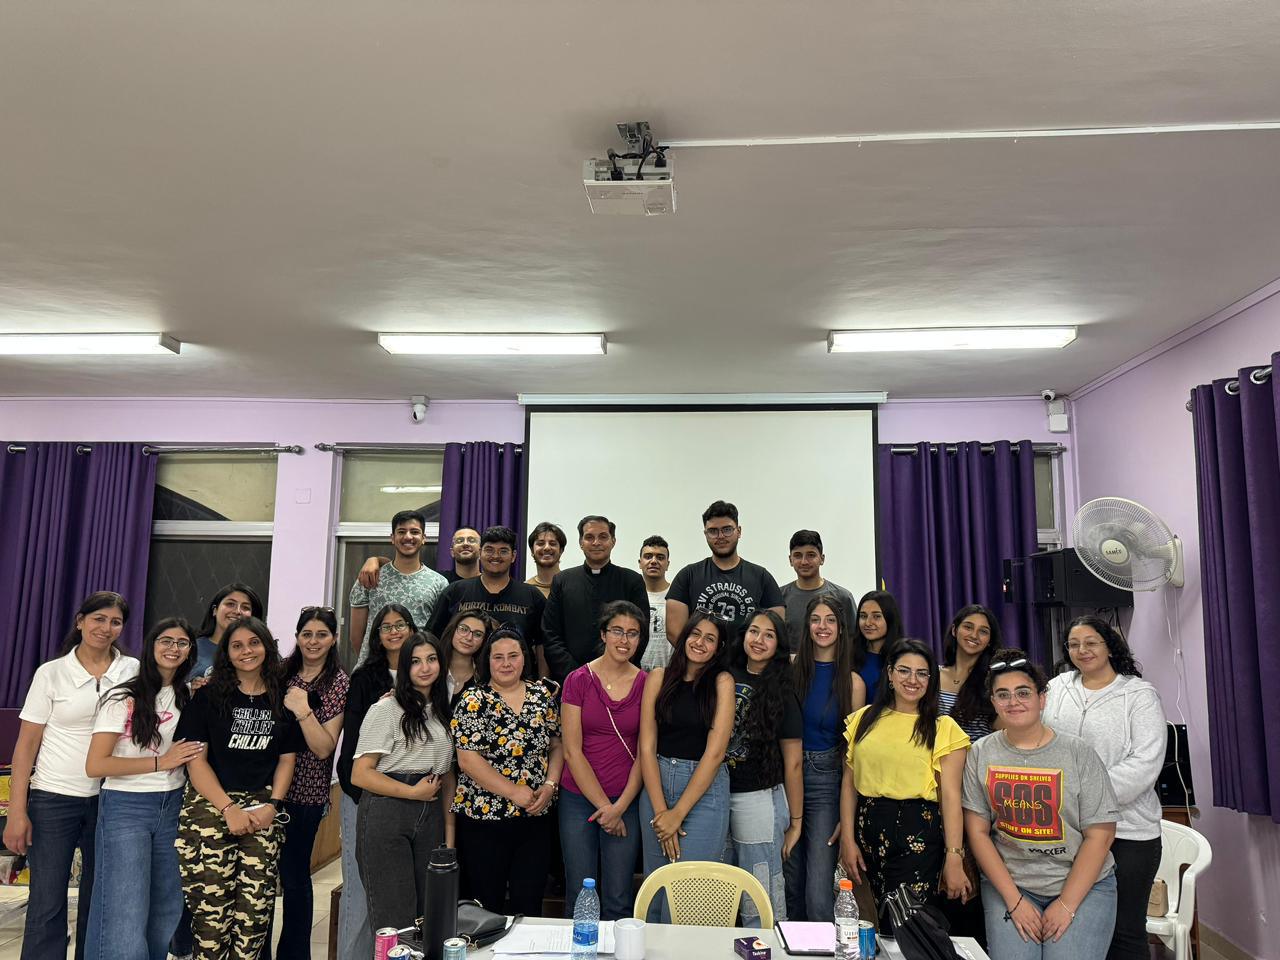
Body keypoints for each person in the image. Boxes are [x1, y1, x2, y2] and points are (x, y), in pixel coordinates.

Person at [5, 591, 140, 960]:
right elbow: (26, 746)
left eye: (115, 622)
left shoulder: (133, 670)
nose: (106, 628)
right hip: (53, 798)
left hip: (113, 799)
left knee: (100, 899)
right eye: (99, 619)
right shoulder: (51, 673)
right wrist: (17, 812)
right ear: (80, 621)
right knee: (46, 901)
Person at [964, 650, 1119, 958]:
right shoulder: (980, 753)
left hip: (1083, 885)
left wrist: (1066, 904)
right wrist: (1014, 902)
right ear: (993, 702)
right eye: (1003, 694)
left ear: (1042, 698)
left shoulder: (1078, 753)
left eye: (1023, 692)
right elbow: (978, 833)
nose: (1013, 702)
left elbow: (1101, 835)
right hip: (1011, 884)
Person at [174, 616, 302, 960]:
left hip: (263, 811)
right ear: (227, 654)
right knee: (211, 922)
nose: (247, 651)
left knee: (254, 920)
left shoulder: (283, 699)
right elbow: (195, 761)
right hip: (210, 808)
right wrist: (228, 808)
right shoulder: (208, 697)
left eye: (254, 643)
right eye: (237, 645)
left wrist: (273, 805)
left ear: (267, 647)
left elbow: (287, 760)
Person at [1045, 617, 1165, 960]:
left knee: (1124, 933)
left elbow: (1145, 763)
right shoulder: (1056, 688)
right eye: (1073, 644)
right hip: (1070, 830)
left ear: (1110, 647)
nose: (1082, 650)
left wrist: (1082, 796)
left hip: (1129, 832)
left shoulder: (1138, 695)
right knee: (1078, 926)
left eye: (1091, 642)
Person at [84, 616, 202, 960]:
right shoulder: (123, 697)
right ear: (151, 645)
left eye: (182, 643)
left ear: (190, 651)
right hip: (126, 806)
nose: (173, 648)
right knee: (125, 908)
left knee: (166, 907)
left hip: (174, 805)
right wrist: (160, 762)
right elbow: (96, 765)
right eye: (166, 640)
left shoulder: (188, 697)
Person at [839, 639, 971, 910]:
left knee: (908, 922)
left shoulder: (943, 728)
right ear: (890, 673)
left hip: (918, 834)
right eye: (904, 670)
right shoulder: (863, 719)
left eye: (922, 673)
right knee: (868, 920)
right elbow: (849, 785)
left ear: (931, 680)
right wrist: (847, 840)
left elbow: (950, 797)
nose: (913, 680)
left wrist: (954, 855)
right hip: (867, 832)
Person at [451, 628, 564, 915]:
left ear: (524, 658)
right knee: (486, 907)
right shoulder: (474, 699)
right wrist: (514, 792)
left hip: (535, 816)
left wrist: (550, 785)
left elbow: (556, 744)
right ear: (486, 661)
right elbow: (468, 760)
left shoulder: (541, 695)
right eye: (498, 657)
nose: (506, 663)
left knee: (530, 904)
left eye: (513, 656)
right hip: (485, 819)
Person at [351, 632, 457, 933]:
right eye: (415, 661)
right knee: (395, 920)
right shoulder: (386, 709)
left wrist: (449, 836)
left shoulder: (442, 711)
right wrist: (412, 792)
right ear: (404, 667)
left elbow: (448, 776)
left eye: (431, 659)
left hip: (431, 814)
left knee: (430, 918)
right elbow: (360, 773)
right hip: (388, 811)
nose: (425, 668)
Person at [559, 601, 647, 920]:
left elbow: (645, 753)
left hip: (627, 800)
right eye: (617, 631)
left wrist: (619, 807)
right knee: (579, 892)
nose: (624, 640)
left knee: (619, 896)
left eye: (633, 633)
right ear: (603, 634)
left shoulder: (647, 683)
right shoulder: (578, 680)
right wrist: (605, 808)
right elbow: (571, 751)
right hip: (578, 798)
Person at [335, 604, 414, 960]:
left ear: (412, 630)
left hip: (411, 798)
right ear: (377, 636)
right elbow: (351, 741)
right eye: (386, 627)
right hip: (364, 794)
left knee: (398, 894)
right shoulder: (365, 677)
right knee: (359, 891)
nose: (394, 631)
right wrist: (360, 791)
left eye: (400, 625)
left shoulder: (424, 671)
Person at [638, 612, 735, 898]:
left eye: (710, 639)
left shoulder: (722, 682)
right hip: (657, 784)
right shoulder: (658, 677)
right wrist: (662, 814)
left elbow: (715, 753)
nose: (700, 643)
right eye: (695, 634)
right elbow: (647, 746)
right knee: (655, 891)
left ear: (718, 648)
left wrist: (678, 814)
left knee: (689, 893)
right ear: (684, 636)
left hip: (704, 792)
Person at [272, 607, 349, 960]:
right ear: (297, 637)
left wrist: (302, 709)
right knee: (260, 880)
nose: (313, 641)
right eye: (307, 634)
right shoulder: (279, 673)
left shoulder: (338, 682)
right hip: (266, 788)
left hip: (306, 794)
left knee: (294, 877)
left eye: (321, 634)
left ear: (333, 638)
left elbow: (322, 747)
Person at [785, 594, 867, 922]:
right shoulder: (790, 669)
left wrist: (847, 816)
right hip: (784, 778)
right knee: (789, 880)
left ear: (841, 628)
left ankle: (819, 946)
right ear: (807, 625)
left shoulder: (852, 683)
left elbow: (852, 756)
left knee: (818, 889)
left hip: (826, 782)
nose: (823, 626)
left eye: (830, 620)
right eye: (816, 619)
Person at [725, 610, 804, 926]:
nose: (759, 640)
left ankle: (765, 945)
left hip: (757, 798)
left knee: (759, 889)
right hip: (714, 794)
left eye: (769, 635)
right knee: (718, 885)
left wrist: (796, 822)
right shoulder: (724, 673)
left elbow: (793, 762)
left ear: (779, 645)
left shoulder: (783, 689)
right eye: (754, 631)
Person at [427, 526, 548, 676]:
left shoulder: (531, 595)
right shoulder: (455, 591)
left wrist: (543, 680)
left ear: (513, 556)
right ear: (480, 552)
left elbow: (543, 644)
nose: (495, 556)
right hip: (461, 681)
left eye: (503, 551)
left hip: (517, 680)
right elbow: (433, 637)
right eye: (489, 550)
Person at [543, 515, 650, 682]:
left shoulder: (632, 581)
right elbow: (551, 634)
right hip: (571, 679)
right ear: (581, 542)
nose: (596, 542)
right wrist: (577, 675)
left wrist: (615, 672)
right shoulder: (562, 581)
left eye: (603, 537)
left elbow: (641, 632)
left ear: (613, 541)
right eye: (589, 537)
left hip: (621, 680)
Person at [665, 500, 785, 642]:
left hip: (747, 657)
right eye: (713, 531)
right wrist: (701, 653)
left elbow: (777, 633)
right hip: (700, 656)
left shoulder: (762, 577)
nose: (720, 536)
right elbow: (674, 632)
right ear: (705, 534)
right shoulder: (687, 575)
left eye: (727, 529)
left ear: (739, 531)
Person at [347, 510, 448, 667]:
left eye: (414, 532)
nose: (408, 536)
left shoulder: (439, 582)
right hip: (374, 669)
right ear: (392, 538)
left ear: (424, 538)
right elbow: (356, 636)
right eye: (401, 532)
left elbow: (440, 635)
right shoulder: (370, 576)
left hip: (419, 669)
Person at [780, 530, 856, 655]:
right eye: (798, 555)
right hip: (789, 667)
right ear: (790, 560)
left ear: (822, 559)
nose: (804, 561)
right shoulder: (779, 597)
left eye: (811, 555)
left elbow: (853, 640)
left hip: (834, 666)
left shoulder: (843, 597)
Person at [939, 604, 1004, 740]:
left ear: (990, 640)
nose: (974, 635)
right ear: (954, 630)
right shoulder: (933, 675)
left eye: (983, 631)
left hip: (977, 753)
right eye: (968, 627)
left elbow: (1005, 732)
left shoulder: (994, 680)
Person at [191, 583, 264, 683]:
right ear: (215, 610)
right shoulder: (191, 648)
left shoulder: (261, 651)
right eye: (230, 604)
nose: (238, 611)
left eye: (245, 607)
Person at [852, 589, 903, 700]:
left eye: (876, 616)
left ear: (890, 619)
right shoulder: (849, 656)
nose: (868, 623)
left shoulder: (903, 658)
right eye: (863, 616)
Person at [440, 609, 497, 699]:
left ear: (484, 641)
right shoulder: (433, 667)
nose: (469, 638)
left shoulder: (486, 677)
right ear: (453, 630)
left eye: (478, 634)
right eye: (464, 629)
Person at [638, 535, 672, 671]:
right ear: (640, 562)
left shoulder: (677, 595)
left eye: (660, 557)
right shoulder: (632, 595)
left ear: (667, 564)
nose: (653, 561)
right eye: (648, 556)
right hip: (635, 672)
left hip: (670, 673)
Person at [526, 521, 566, 598]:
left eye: (552, 543)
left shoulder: (573, 586)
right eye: (540, 543)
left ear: (561, 550)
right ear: (532, 551)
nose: (547, 547)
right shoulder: (524, 590)